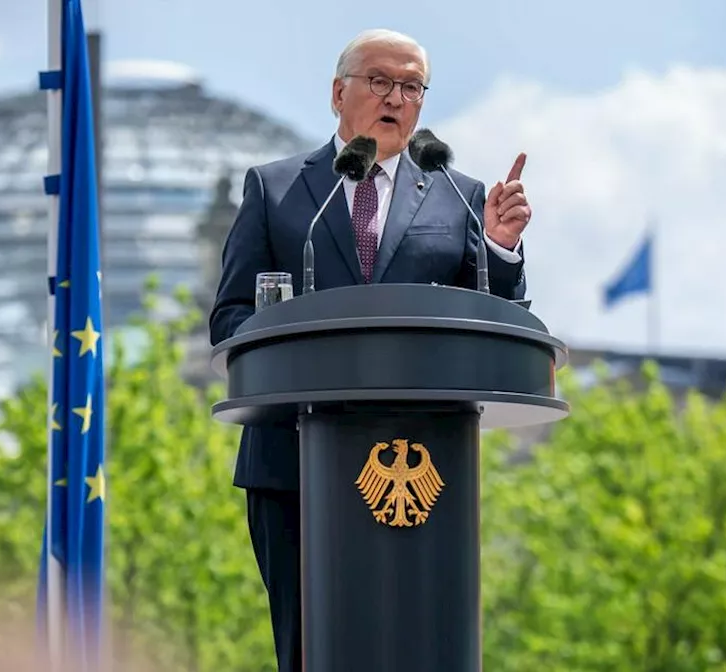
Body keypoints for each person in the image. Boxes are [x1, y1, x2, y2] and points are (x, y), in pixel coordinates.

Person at [208, 28, 533, 672]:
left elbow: (492, 314)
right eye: (380, 81)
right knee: (309, 649)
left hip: (421, 466)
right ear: (338, 93)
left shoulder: (461, 197)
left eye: (412, 87)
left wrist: (497, 248)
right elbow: (229, 318)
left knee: (419, 643)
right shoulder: (277, 190)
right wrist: (285, 341)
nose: (396, 98)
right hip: (293, 465)